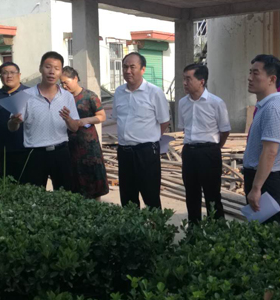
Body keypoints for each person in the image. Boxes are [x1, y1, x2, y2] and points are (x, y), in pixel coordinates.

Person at [8, 51, 81, 191]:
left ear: (61, 72)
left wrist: (68, 119)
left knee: (65, 194)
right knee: (33, 196)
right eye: (48, 67)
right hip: (34, 154)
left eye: (57, 68)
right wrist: (14, 121)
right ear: (40, 68)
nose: (52, 72)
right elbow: (11, 127)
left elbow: (74, 128)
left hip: (60, 153)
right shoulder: (24, 95)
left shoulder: (67, 97)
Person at [112, 52, 170, 209]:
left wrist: (152, 138)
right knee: (128, 198)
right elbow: (117, 118)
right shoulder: (119, 92)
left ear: (143, 69)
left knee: (150, 197)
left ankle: (155, 225)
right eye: (125, 67)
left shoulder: (154, 92)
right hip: (124, 152)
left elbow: (164, 121)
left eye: (132, 67)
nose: (128, 71)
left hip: (146, 152)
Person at [178, 64, 231, 224]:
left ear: (201, 81)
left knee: (212, 195)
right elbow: (184, 128)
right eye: (183, 79)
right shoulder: (182, 103)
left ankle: (217, 231)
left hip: (209, 152)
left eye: (188, 79)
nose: (184, 83)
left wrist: (215, 148)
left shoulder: (216, 103)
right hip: (189, 151)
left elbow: (225, 130)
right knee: (191, 194)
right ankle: (194, 230)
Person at [244, 54, 280, 227]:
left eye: (256, 73)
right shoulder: (265, 106)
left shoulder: (273, 109)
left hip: (268, 182)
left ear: (272, 79)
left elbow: (270, 151)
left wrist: (256, 188)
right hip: (264, 178)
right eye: (250, 72)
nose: (250, 78)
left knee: (270, 233)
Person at [60, 66, 109, 201]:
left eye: (66, 82)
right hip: (70, 145)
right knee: (74, 180)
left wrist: (85, 120)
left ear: (75, 78)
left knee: (93, 181)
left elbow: (102, 116)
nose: (64, 86)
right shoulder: (62, 97)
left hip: (88, 145)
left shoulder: (89, 96)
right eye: (62, 83)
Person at [0, 62, 29, 180]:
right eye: (5, 73)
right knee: (6, 182)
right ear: (0, 77)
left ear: (19, 75)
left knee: (28, 183)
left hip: (27, 148)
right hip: (4, 149)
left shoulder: (29, 93)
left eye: (12, 72)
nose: (9, 76)